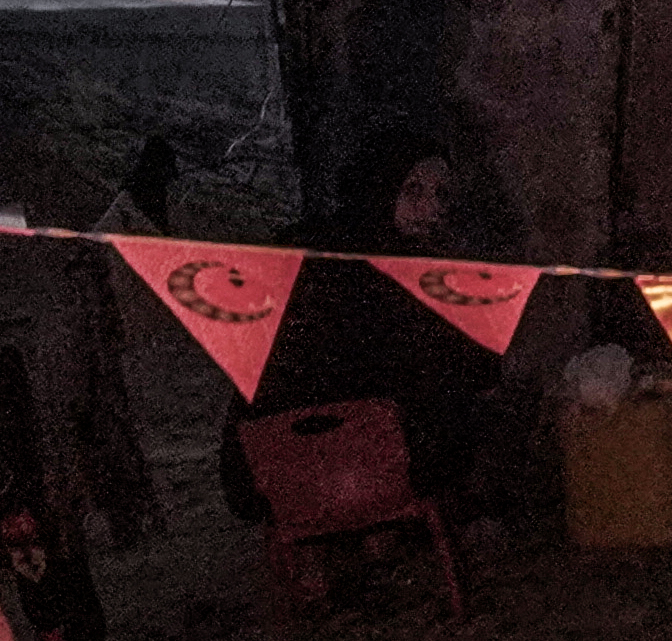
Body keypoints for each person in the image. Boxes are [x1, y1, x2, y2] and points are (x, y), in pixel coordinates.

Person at [218, 127, 515, 530]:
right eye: (413, 191)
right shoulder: (411, 273)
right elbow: (479, 372)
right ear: (379, 189)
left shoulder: (295, 244)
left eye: (441, 195)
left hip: (267, 477)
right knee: (483, 405)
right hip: (362, 471)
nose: (432, 208)